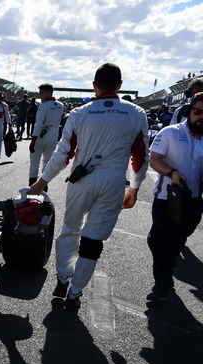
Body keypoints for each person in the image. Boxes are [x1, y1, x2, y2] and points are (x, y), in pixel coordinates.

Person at [28, 63, 149, 311]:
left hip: (82, 181)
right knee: (93, 239)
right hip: (114, 182)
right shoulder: (136, 113)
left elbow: (63, 154)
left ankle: (63, 276)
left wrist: (42, 181)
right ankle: (76, 291)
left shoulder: (80, 113)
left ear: (94, 86)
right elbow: (141, 156)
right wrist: (134, 188)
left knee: (70, 228)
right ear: (120, 86)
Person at [145, 91, 203, 302]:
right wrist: (172, 173)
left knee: (179, 238)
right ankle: (162, 284)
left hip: (195, 200)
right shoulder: (170, 133)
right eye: (198, 111)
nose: (201, 117)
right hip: (167, 197)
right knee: (160, 241)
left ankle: (168, 262)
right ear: (190, 112)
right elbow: (154, 159)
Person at [28, 84, 64, 189]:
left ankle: (32, 186)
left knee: (34, 163)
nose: (40, 95)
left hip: (40, 138)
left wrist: (33, 140)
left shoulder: (43, 105)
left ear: (49, 92)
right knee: (47, 162)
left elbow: (39, 124)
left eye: (42, 92)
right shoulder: (61, 105)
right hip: (53, 138)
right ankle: (44, 185)